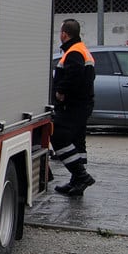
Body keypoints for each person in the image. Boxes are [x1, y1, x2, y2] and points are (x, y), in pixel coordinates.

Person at [51, 19, 96, 196]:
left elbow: (74, 75)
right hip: (82, 105)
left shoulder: (74, 52)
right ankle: (77, 181)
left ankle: (81, 176)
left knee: (59, 136)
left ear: (64, 34)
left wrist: (61, 91)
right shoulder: (81, 50)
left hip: (72, 105)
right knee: (77, 141)